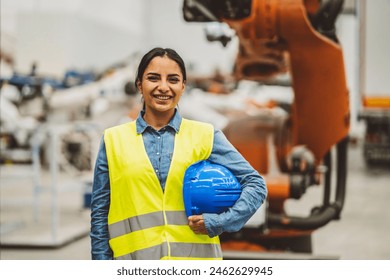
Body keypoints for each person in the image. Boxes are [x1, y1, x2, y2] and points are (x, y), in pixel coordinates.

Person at [90, 47, 267, 260]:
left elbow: (256, 184)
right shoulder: (113, 140)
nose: (163, 87)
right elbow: (99, 216)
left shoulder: (206, 136)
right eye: (153, 78)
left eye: (173, 80)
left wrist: (219, 223)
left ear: (183, 87)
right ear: (139, 85)